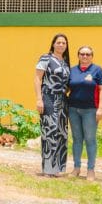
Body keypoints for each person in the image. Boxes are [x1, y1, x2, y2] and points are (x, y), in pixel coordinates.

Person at [67, 45, 102, 181]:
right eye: (82, 54)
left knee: (90, 139)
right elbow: (66, 89)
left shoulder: (97, 70)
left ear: (92, 56)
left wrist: (101, 108)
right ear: (78, 55)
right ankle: (76, 168)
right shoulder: (72, 71)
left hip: (90, 110)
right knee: (77, 139)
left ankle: (90, 170)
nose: (85, 56)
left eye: (88, 54)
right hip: (73, 109)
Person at [34, 33, 71, 177]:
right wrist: (39, 99)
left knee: (61, 133)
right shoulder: (46, 58)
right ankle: (48, 169)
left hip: (63, 100)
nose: (61, 45)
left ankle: (59, 168)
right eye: (58, 42)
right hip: (48, 98)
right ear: (53, 44)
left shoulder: (65, 62)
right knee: (49, 132)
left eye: (64, 43)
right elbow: (37, 79)